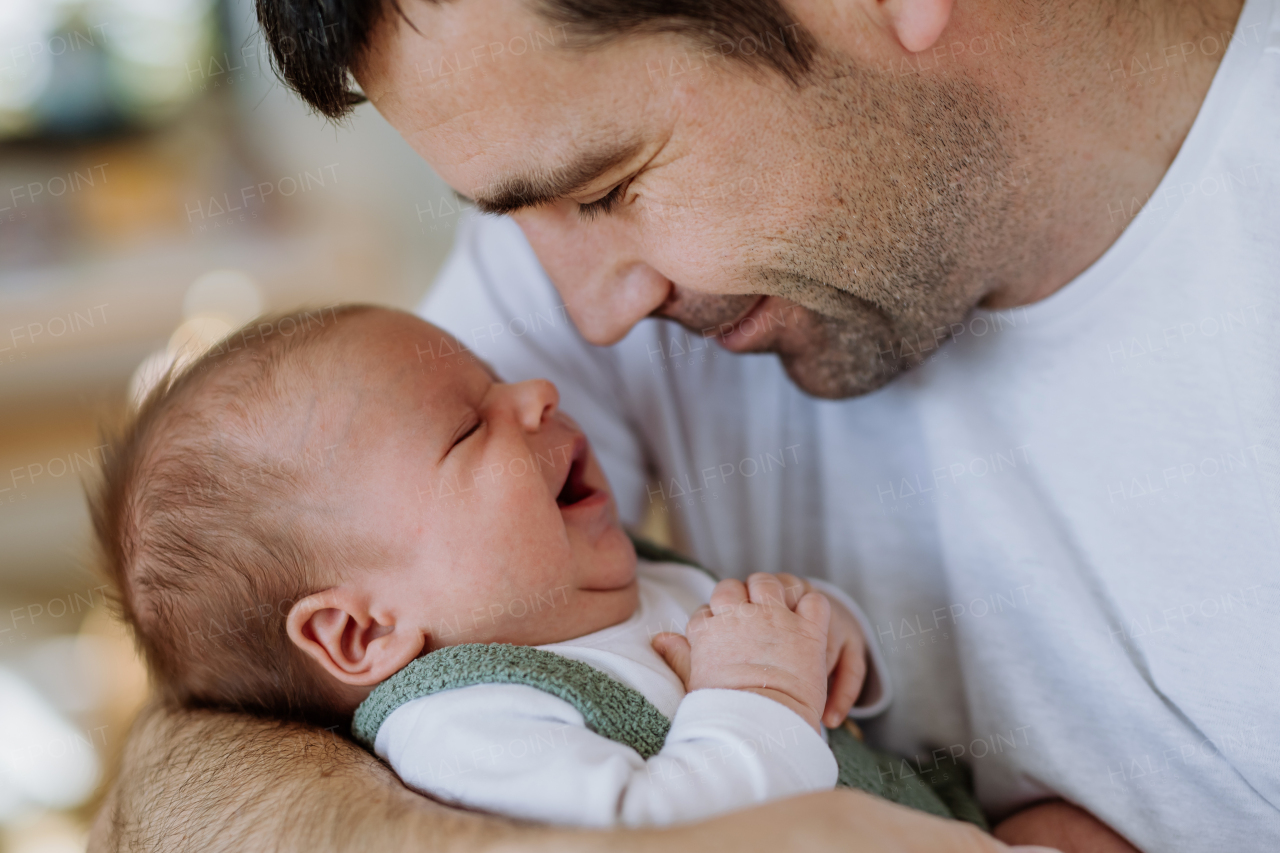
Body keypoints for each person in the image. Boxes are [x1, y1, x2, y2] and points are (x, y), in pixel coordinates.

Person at [92, 0, 1278, 849]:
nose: (589, 319)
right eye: (525, 218)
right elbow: (213, 713)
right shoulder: (485, 380)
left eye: (606, 189)